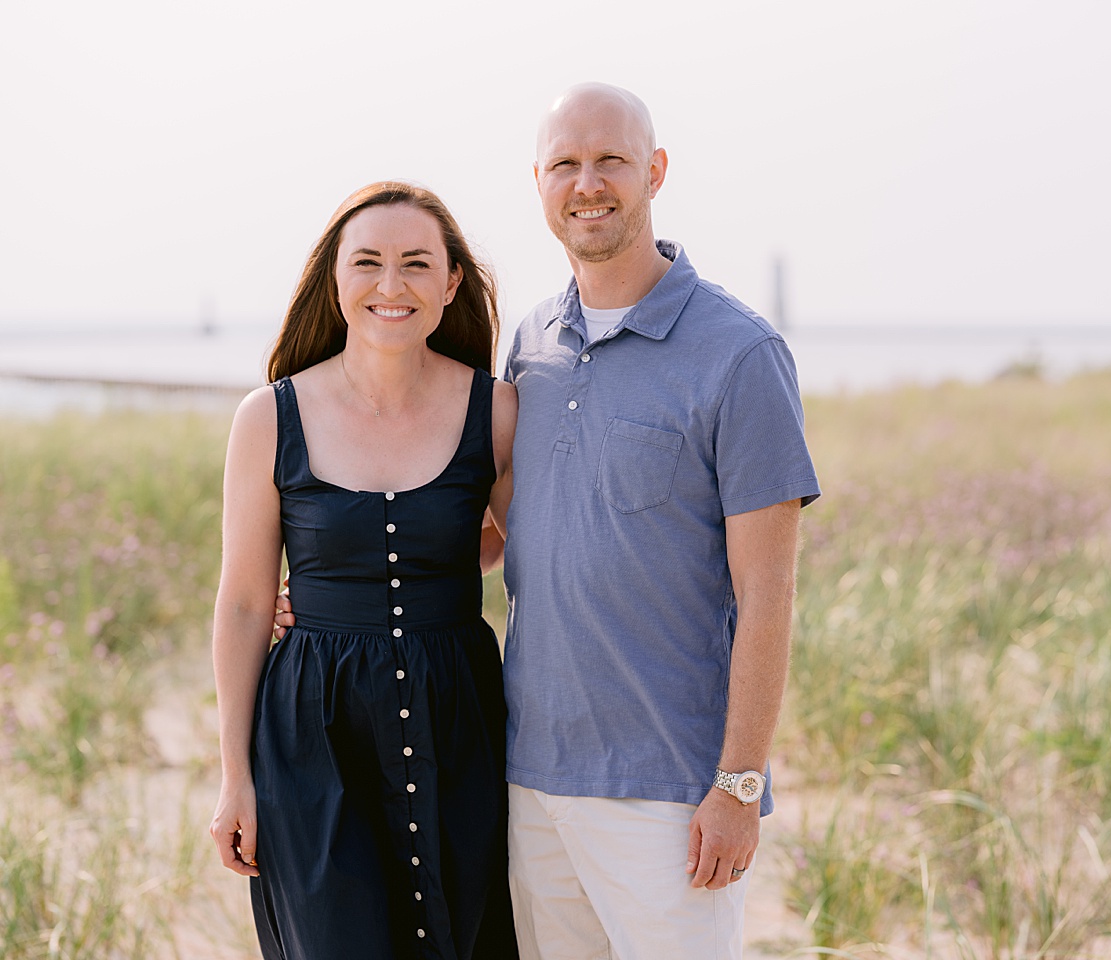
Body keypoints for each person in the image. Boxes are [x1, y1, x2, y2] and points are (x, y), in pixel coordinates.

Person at [276, 82, 821, 958]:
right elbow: (507, 536)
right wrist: (340, 591)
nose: (588, 182)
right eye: (565, 164)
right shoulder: (531, 345)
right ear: (539, 184)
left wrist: (738, 784)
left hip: (670, 793)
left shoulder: (739, 354)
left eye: (610, 160)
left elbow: (768, 590)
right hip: (527, 780)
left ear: (656, 171)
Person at [210, 181, 519, 960]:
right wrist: (233, 775)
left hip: (462, 723)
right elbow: (246, 604)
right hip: (311, 732)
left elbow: (534, 553)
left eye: (417, 263)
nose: (392, 285)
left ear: (451, 284)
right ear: (336, 280)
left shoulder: (499, 411)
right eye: (369, 263)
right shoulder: (268, 417)